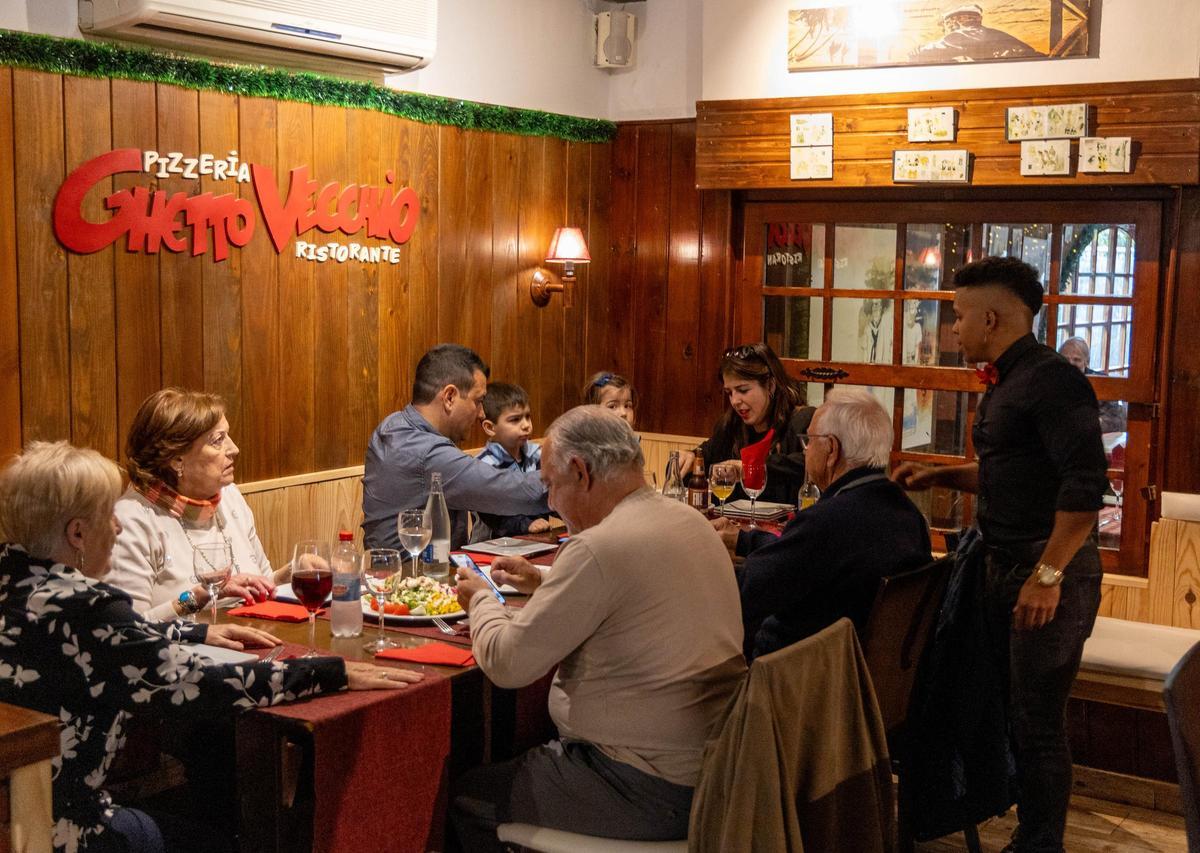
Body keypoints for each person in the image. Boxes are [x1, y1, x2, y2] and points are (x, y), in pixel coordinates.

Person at [0, 441, 420, 853]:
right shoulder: (88, 608)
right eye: (108, 515)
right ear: (77, 532)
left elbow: (113, 645)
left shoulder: (16, 582)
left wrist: (194, 634)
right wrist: (333, 672)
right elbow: (200, 683)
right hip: (57, 828)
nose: (118, 526)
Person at [450, 407, 746, 850]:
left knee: (463, 795)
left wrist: (481, 600)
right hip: (723, 770)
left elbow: (507, 663)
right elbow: (633, 590)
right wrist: (545, 581)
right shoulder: (689, 522)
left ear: (580, 471)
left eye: (550, 485)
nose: (549, 503)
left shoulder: (597, 547)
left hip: (642, 784)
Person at [893, 256, 1107, 853]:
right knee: (1014, 711)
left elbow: (1083, 492)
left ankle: (1041, 844)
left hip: (1048, 573)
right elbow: (1011, 474)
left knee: (1038, 724)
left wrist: (1046, 576)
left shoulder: (1056, 381)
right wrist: (940, 477)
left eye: (959, 316)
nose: (953, 329)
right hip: (1006, 564)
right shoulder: (1012, 379)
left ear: (990, 316)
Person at [717, 388, 931, 660]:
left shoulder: (829, 521)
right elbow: (802, 559)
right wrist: (744, 540)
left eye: (809, 441)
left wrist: (699, 556)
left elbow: (745, 591)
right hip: (863, 679)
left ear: (831, 449)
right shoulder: (907, 514)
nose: (806, 452)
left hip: (800, 684)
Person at [107, 388, 277, 622]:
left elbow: (266, 584)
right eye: (218, 440)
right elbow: (127, 631)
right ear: (176, 459)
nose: (234, 449)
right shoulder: (130, 521)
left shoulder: (229, 497)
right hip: (180, 654)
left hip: (250, 640)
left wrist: (294, 572)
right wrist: (195, 598)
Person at [361, 344, 549, 550]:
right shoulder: (424, 451)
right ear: (450, 397)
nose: (481, 414)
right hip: (415, 577)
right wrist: (570, 476)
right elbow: (510, 490)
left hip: (397, 572)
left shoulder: (392, 426)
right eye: (479, 401)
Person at [678, 342, 814, 505]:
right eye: (729, 393)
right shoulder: (730, 426)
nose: (735, 401)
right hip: (735, 528)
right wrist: (690, 457)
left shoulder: (802, 421)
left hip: (788, 529)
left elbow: (809, 464)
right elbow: (703, 459)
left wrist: (749, 468)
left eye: (743, 390)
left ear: (770, 386)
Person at [472, 382, 551, 539]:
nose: (526, 425)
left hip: (534, 539)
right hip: (491, 545)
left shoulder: (537, 456)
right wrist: (525, 524)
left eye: (528, 417)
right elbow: (493, 515)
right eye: (515, 420)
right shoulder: (484, 465)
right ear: (490, 427)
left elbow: (551, 496)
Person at [909, 3, 1043, 63]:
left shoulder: (965, 34)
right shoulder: (986, 34)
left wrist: (919, 50)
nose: (946, 28)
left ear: (957, 20)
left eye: (948, 23)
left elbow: (945, 44)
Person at [1057, 336, 1128, 432]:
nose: (1070, 364)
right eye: (1065, 359)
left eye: (1076, 360)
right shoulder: (1052, 381)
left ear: (1087, 362)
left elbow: (1117, 421)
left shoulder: (1102, 383)